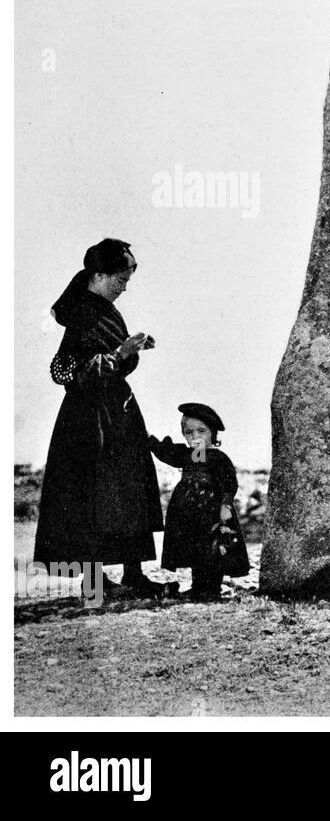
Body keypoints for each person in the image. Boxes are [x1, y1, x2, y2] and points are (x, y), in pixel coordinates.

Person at [36, 239, 165, 599]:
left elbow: (107, 361)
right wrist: (120, 353)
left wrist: (129, 351)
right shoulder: (83, 312)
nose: (124, 288)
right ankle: (94, 582)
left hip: (116, 413)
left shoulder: (104, 310)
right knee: (93, 494)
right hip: (89, 419)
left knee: (125, 489)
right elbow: (64, 370)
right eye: (119, 280)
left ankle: (133, 573)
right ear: (97, 275)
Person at [148, 403, 249, 601]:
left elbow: (229, 482)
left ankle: (210, 589)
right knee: (195, 549)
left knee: (212, 549)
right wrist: (149, 438)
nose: (195, 437)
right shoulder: (192, 455)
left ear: (213, 433)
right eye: (189, 432)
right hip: (188, 513)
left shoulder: (218, 458)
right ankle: (198, 587)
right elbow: (167, 453)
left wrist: (226, 505)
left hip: (212, 512)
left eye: (201, 431)